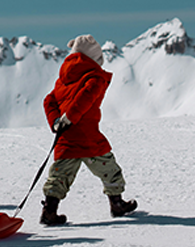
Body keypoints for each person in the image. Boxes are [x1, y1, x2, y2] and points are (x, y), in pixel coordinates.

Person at [40, 34, 137, 225]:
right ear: (94, 58)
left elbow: (48, 100)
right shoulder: (95, 77)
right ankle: (116, 204)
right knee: (109, 169)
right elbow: (86, 96)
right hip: (88, 137)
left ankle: (49, 211)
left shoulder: (63, 79)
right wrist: (70, 117)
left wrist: (56, 122)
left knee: (59, 176)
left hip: (65, 137)